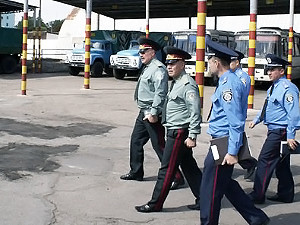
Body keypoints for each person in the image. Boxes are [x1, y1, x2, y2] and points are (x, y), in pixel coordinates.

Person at [200, 38, 269, 225]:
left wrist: (232, 152)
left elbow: (236, 121)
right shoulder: (225, 81)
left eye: (209, 61)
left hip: (224, 143)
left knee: (210, 188)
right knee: (226, 185)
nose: (208, 65)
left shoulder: (228, 85)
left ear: (216, 63)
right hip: (220, 141)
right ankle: (256, 217)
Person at [135, 46, 202, 213]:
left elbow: (195, 112)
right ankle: (204, 198)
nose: (169, 67)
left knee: (166, 170)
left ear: (183, 64)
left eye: (173, 63)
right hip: (173, 129)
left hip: (179, 132)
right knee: (189, 167)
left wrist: (193, 135)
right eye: (168, 63)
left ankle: (155, 203)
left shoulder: (187, 85)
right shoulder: (176, 83)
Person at [120, 38, 184, 190]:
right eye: (139, 51)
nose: (140, 54)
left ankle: (176, 177)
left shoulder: (158, 69)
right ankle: (136, 172)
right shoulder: (148, 66)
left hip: (152, 112)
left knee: (159, 145)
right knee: (136, 141)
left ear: (152, 52)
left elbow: (160, 93)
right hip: (143, 111)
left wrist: (154, 113)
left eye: (143, 51)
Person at [248, 54, 300, 204]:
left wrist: (290, 135)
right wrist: (257, 120)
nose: (269, 73)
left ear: (281, 71)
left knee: (264, 160)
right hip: (275, 129)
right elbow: (267, 107)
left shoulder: (288, 88)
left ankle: (258, 194)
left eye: (272, 70)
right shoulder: (274, 87)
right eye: (268, 70)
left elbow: (294, 115)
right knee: (281, 164)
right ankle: (286, 194)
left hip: (281, 131)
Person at [230, 50, 258, 180]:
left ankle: (250, 164)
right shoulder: (230, 75)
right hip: (231, 114)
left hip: (237, 114)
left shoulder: (242, 77)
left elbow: (239, 97)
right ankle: (249, 164)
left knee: (236, 141)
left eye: (231, 61)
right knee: (236, 141)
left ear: (237, 62)